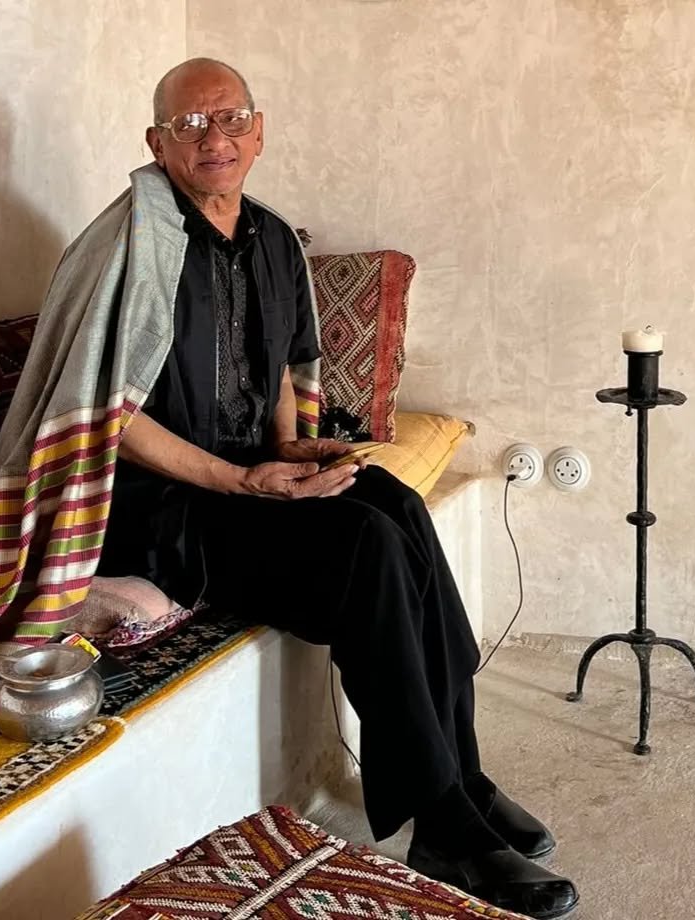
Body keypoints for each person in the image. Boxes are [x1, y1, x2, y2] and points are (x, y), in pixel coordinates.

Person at [97, 58, 579, 920]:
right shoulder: (133, 244)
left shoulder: (273, 239)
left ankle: (463, 775)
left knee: (393, 502)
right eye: (190, 124)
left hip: (250, 479)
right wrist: (238, 477)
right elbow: (108, 419)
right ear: (156, 143)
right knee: (363, 546)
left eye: (231, 118)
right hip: (163, 504)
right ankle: (441, 821)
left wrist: (290, 448)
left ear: (259, 131)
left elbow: (285, 369)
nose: (214, 138)